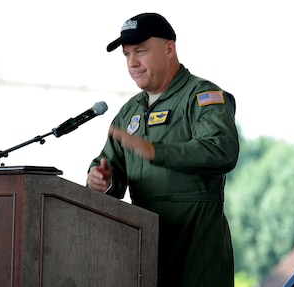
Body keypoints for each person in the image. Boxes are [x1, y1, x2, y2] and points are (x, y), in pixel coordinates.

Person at [87, 12, 239, 287]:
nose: (133, 63)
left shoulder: (203, 97)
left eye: (141, 51)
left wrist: (156, 151)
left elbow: (221, 150)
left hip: (197, 253)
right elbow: (110, 171)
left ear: (169, 48)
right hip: (145, 251)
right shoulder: (130, 111)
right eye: (127, 55)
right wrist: (100, 180)